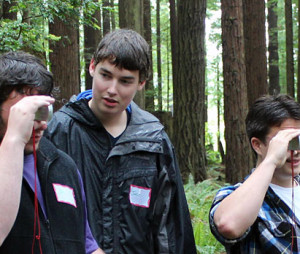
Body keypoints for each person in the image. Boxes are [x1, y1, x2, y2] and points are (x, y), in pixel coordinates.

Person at [44, 29, 197, 254]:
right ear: (92, 67)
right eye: (106, 75)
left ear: (141, 83)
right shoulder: (59, 131)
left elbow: (172, 225)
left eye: (125, 81)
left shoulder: (153, 140)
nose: (112, 90)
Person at [0, 51, 104, 254]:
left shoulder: (63, 166)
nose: (41, 124)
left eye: (41, 111)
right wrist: (15, 139)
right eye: (24, 112)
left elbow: (87, 246)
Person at [209, 94, 300, 253]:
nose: (296, 151)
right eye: (287, 141)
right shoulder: (235, 196)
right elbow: (228, 225)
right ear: (258, 145)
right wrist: (272, 160)